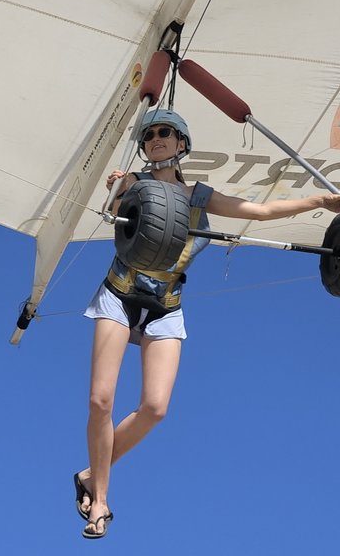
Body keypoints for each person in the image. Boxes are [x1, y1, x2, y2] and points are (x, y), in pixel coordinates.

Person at [74, 109, 340, 539]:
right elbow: (115, 206)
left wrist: (323, 202)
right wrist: (118, 190)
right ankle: (100, 500)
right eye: (150, 136)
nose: (156, 139)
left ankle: (90, 474)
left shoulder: (199, 195)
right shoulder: (133, 185)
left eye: (165, 133)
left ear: (181, 143)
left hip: (166, 304)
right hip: (121, 293)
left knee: (156, 408)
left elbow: (263, 209)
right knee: (100, 401)